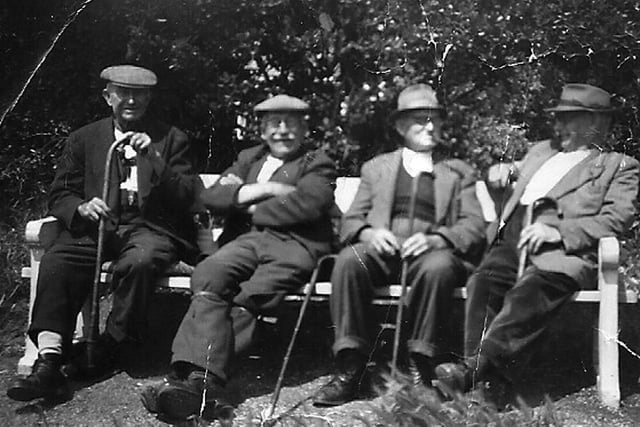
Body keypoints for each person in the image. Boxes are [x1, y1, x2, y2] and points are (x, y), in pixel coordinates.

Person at [434, 83, 640, 400]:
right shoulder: (542, 151)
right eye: (557, 117)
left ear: (596, 123)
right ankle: (488, 383)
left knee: (528, 292)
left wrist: (559, 232)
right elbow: (512, 172)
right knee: (483, 283)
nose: (558, 125)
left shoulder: (618, 166)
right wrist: (499, 171)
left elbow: (616, 220)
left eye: (568, 118)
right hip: (514, 237)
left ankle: (472, 372)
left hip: (562, 250)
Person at [7, 65, 198, 402]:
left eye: (139, 94)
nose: (131, 100)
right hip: (98, 229)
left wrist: (153, 157)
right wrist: (80, 208)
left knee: (141, 260)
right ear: (107, 97)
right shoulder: (84, 138)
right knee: (58, 259)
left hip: (149, 229)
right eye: (122, 92)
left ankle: (111, 346)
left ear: (149, 97)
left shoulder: (171, 139)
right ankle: (49, 360)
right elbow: (60, 194)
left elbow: (186, 195)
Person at [142, 94, 337, 420]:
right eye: (274, 124)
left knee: (250, 294)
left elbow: (310, 204)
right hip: (249, 242)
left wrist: (246, 204)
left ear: (305, 128)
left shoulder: (318, 161)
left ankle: (188, 379)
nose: (282, 131)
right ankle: (203, 385)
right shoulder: (250, 158)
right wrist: (263, 190)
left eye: (291, 123)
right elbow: (211, 195)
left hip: (297, 245)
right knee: (208, 274)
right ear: (262, 130)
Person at [312, 84, 487, 407]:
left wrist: (438, 238)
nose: (430, 127)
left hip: (431, 255)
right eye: (420, 120)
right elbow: (351, 220)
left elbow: (474, 225)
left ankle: (421, 368)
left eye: (435, 120)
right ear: (400, 126)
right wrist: (369, 234)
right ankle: (351, 367)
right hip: (382, 252)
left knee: (438, 266)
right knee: (350, 262)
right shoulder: (376, 168)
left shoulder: (457, 172)